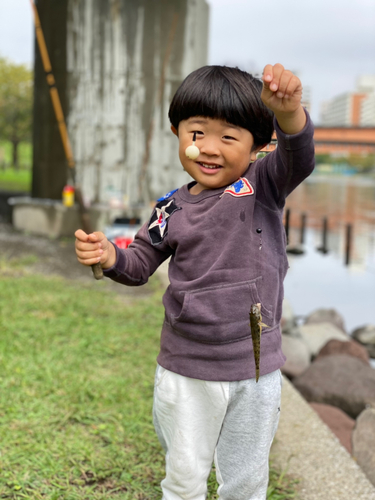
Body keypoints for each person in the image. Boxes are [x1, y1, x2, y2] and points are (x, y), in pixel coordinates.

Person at [75, 63, 315, 500]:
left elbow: (299, 155)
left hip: (255, 369)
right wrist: (112, 256)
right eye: (197, 132)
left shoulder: (262, 185)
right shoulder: (170, 208)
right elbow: (141, 263)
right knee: (184, 475)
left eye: (229, 137)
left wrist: (290, 114)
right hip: (185, 367)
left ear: (257, 146)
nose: (208, 148)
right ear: (176, 132)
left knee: (245, 479)